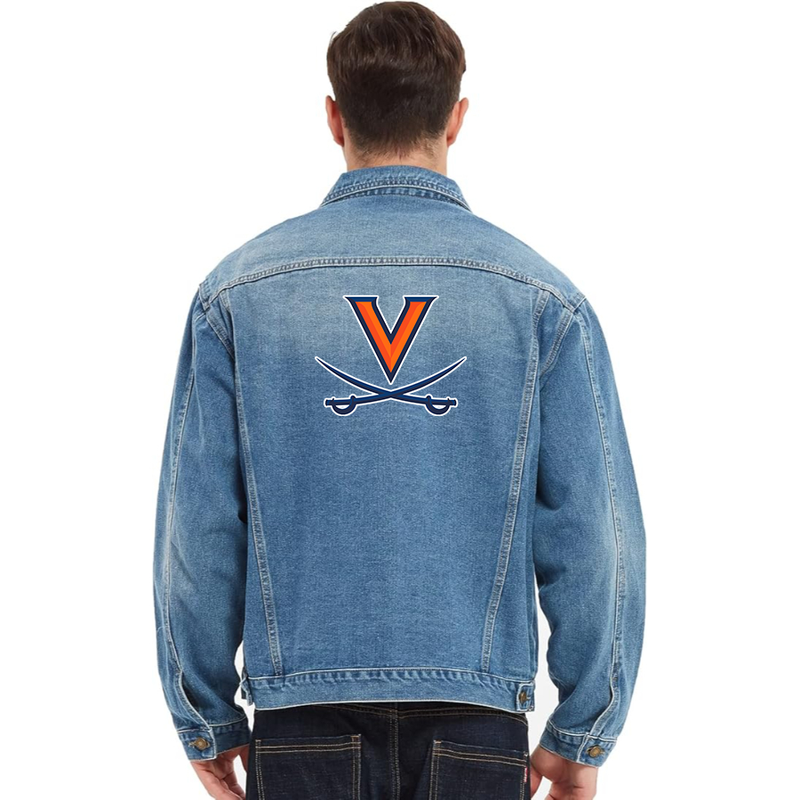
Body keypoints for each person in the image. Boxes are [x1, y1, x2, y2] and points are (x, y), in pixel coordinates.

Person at [152, 3, 647, 798]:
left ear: (333, 117)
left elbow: (199, 527)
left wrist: (203, 712)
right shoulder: (542, 300)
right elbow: (598, 536)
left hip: (301, 720)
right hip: (477, 721)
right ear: (457, 119)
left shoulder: (238, 295)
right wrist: (584, 729)